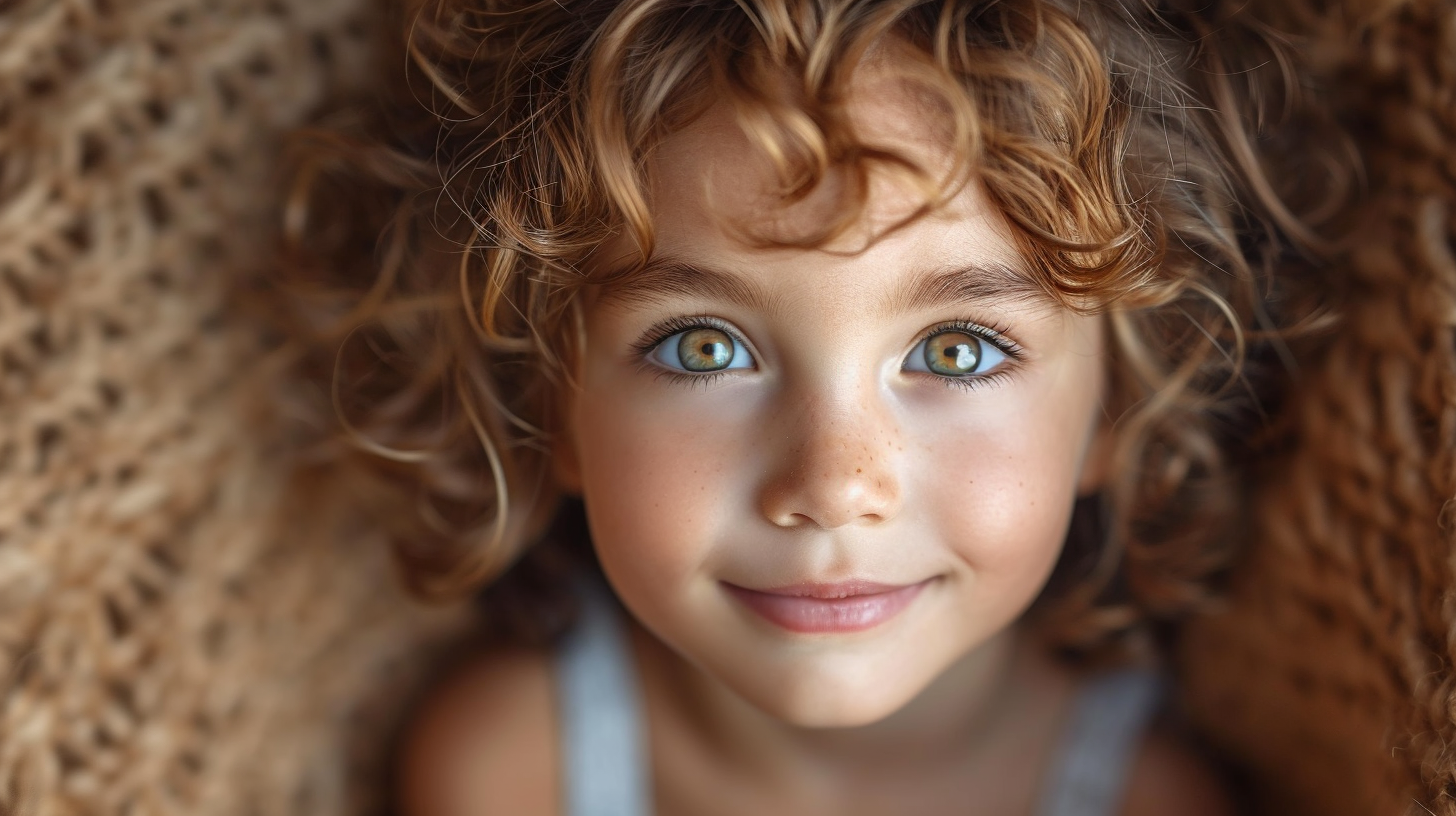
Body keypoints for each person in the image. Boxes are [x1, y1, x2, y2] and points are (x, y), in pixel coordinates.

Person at [276, 0, 1336, 813]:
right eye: (704, 347)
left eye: (958, 350)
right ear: (551, 402)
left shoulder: (1148, 801)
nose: (832, 485)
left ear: (1117, 407)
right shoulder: (518, 765)